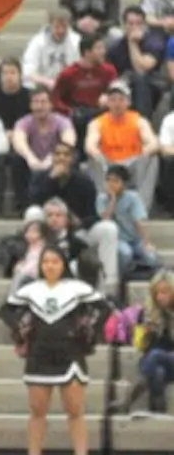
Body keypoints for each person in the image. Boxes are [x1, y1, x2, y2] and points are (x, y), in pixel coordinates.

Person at [0, 245, 109, 455]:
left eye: (55, 261)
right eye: (46, 261)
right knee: (37, 411)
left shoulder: (77, 288)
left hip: (70, 354)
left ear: (64, 264)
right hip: (39, 354)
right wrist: (21, 331)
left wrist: (88, 333)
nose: (50, 266)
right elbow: (6, 311)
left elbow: (103, 309)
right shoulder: (31, 290)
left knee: (75, 410)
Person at [84, 80, 160, 202]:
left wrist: (146, 151)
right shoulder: (97, 123)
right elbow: (90, 144)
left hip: (132, 163)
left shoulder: (139, 121)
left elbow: (153, 142)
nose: (117, 104)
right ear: (108, 102)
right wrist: (96, 153)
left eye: (121, 100)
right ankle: (104, 201)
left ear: (129, 102)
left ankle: (141, 204)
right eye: (113, 100)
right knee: (93, 159)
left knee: (152, 158)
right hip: (108, 163)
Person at [10, 88, 76, 215]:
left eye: (43, 102)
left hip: (55, 161)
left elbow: (69, 141)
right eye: (36, 102)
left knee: (71, 158)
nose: (39, 106)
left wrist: (51, 159)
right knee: (16, 159)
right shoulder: (24, 122)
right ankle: (23, 205)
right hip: (32, 162)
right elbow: (18, 140)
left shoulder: (62, 121)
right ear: (30, 105)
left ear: (51, 104)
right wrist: (30, 158)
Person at [96, 164, 161, 280]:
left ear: (124, 183)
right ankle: (125, 277)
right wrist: (112, 200)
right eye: (108, 180)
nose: (111, 184)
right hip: (117, 240)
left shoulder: (133, 197)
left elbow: (140, 221)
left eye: (115, 181)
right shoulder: (101, 199)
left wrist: (147, 243)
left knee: (151, 257)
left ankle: (138, 268)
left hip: (135, 239)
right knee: (126, 254)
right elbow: (105, 221)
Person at [133, 270, 174, 413]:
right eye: (157, 293)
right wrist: (147, 334)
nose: (160, 297)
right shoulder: (148, 312)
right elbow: (140, 346)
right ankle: (158, 410)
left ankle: (131, 397)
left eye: (164, 292)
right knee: (157, 372)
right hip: (154, 361)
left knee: (156, 355)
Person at [22, 10, 80, 90]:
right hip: (42, 87)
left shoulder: (76, 41)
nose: (61, 31)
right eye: (57, 27)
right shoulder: (37, 42)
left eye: (64, 26)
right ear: (50, 26)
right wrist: (47, 82)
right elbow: (28, 70)